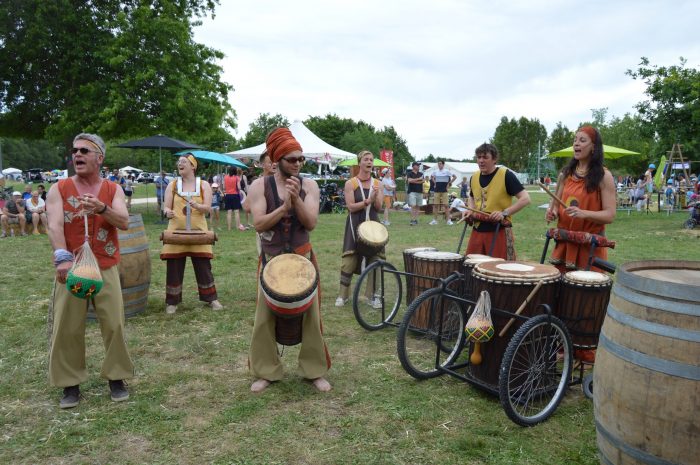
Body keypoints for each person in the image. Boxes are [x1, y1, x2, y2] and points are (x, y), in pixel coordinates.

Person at [46, 133, 134, 408]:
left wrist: (101, 208)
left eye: (85, 150)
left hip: (105, 265)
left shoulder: (113, 189)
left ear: (100, 158)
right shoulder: (58, 189)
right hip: (71, 267)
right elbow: (54, 225)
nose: (77, 155)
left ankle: (117, 377)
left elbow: (123, 221)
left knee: (114, 324)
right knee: (68, 326)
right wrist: (62, 258)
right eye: (74, 151)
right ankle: (70, 384)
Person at [247, 127, 331, 393]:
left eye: (300, 159)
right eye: (291, 159)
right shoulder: (260, 185)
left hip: (302, 260)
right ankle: (266, 371)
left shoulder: (310, 185)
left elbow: (311, 223)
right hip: (271, 261)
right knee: (263, 319)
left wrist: (295, 201)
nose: (297, 164)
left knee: (312, 318)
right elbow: (258, 224)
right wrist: (283, 207)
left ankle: (314, 370)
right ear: (276, 160)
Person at [545, 126, 616, 271]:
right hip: (564, 246)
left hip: (590, 249)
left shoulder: (604, 176)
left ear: (593, 147)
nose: (576, 144)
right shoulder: (565, 174)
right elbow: (555, 205)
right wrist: (552, 212)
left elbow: (610, 215)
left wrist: (584, 213)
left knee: (585, 292)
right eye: (575, 140)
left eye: (582, 140)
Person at [160, 154, 223, 314]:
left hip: (198, 232)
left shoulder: (203, 185)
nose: (179, 164)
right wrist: (168, 212)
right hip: (176, 232)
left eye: (184, 162)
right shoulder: (172, 185)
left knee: (203, 266)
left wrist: (199, 206)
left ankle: (211, 298)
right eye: (179, 162)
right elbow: (165, 207)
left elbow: (208, 208)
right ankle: (172, 302)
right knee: (173, 267)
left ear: (193, 166)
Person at [462, 143, 530, 259]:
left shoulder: (506, 175)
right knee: (471, 268)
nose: (481, 161)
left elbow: (525, 199)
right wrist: (470, 210)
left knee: (498, 269)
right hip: (477, 232)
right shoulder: (474, 177)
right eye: (479, 157)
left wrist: (504, 213)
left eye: (485, 157)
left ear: (494, 159)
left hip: (499, 231)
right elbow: (472, 197)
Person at [335, 150, 384, 307]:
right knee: (349, 260)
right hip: (354, 223)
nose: (369, 162)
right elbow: (350, 207)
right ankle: (343, 295)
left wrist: (375, 199)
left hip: (373, 224)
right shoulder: (351, 183)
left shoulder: (377, 184)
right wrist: (367, 200)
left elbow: (379, 207)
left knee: (376, 259)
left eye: (371, 160)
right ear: (360, 162)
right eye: (366, 159)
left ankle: (373, 296)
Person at [430, 160, 456, 225]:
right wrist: (434, 182)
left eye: (440, 164)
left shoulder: (447, 171)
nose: (439, 165)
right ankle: (435, 220)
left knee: (446, 206)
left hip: (444, 190)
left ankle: (448, 221)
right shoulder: (435, 171)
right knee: (436, 205)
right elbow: (431, 177)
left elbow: (455, 177)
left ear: (443, 165)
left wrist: (449, 184)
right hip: (437, 190)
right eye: (438, 164)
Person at [223, 165, 246, 231]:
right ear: (235, 171)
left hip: (228, 195)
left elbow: (224, 187)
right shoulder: (237, 178)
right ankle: (237, 226)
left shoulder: (225, 177)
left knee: (229, 212)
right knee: (236, 212)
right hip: (235, 195)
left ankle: (229, 228)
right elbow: (239, 188)